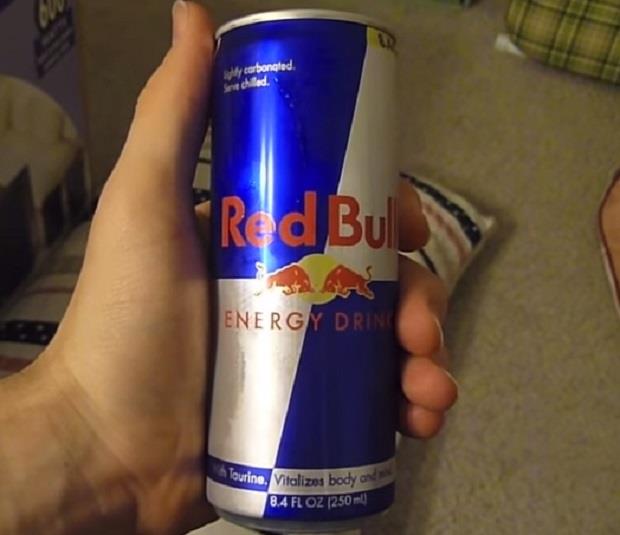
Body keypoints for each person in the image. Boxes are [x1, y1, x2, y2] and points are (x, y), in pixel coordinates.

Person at [0, 3, 457, 535]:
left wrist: (76, 421)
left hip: (313, 462)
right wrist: (76, 415)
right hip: (231, 464)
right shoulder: (253, 55)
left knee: (372, 240)